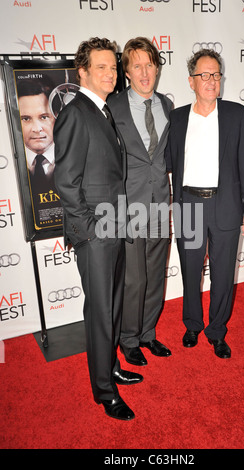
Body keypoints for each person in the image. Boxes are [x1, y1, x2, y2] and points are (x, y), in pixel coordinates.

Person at [54, 37, 143, 421]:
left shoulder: (102, 111)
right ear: (83, 72)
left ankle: (111, 370)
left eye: (112, 66)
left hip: (114, 225)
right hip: (96, 233)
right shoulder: (76, 113)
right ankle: (104, 392)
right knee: (101, 312)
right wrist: (90, 229)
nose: (110, 74)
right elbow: (66, 181)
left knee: (114, 305)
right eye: (101, 67)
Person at [165, 49, 244, 358]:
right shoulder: (176, 118)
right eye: (204, 75)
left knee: (223, 272)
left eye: (216, 74)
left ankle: (217, 331)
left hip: (227, 205)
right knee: (191, 270)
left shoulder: (236, 114)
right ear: (190, 81)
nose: (211, 80)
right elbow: (165, 162)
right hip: (189, 203)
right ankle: (192, 324)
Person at [108, 37, 172, 367]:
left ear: (157, 67)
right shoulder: (113, 108)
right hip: (128, 206)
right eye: (137, 65)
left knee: (156, 274)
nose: (145, 72)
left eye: (150, 64)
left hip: (161, 201)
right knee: (134, 278)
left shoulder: (167, 105)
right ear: (127, 72)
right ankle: (129, 339)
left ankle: (148, 333)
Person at [18, 80, 55, 193]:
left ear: (56, 116)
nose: (37, 128)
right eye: (26, 119)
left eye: (44, 117)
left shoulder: (78, 156)